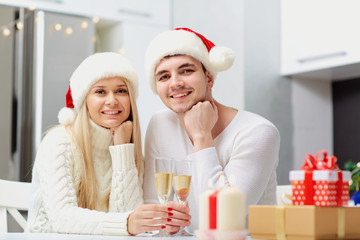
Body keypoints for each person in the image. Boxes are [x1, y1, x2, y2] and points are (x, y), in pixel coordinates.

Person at [25, 52, 190, 235]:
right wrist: (127, 223)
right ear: (84, 100)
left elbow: (127, 223)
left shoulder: (130, 150)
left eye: (121, 91)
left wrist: (122, 150)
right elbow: (62, 218)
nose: (112, 101)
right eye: (100, 92)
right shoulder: (59, 143)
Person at [143, 28, 280, 232]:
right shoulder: (160, 123)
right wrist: (167, 224)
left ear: (209, 78)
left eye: (186, 71)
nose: (175, 83)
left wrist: (202, 136)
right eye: (163, 76)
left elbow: (220, 219)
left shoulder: (258, 132)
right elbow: (153, 210)